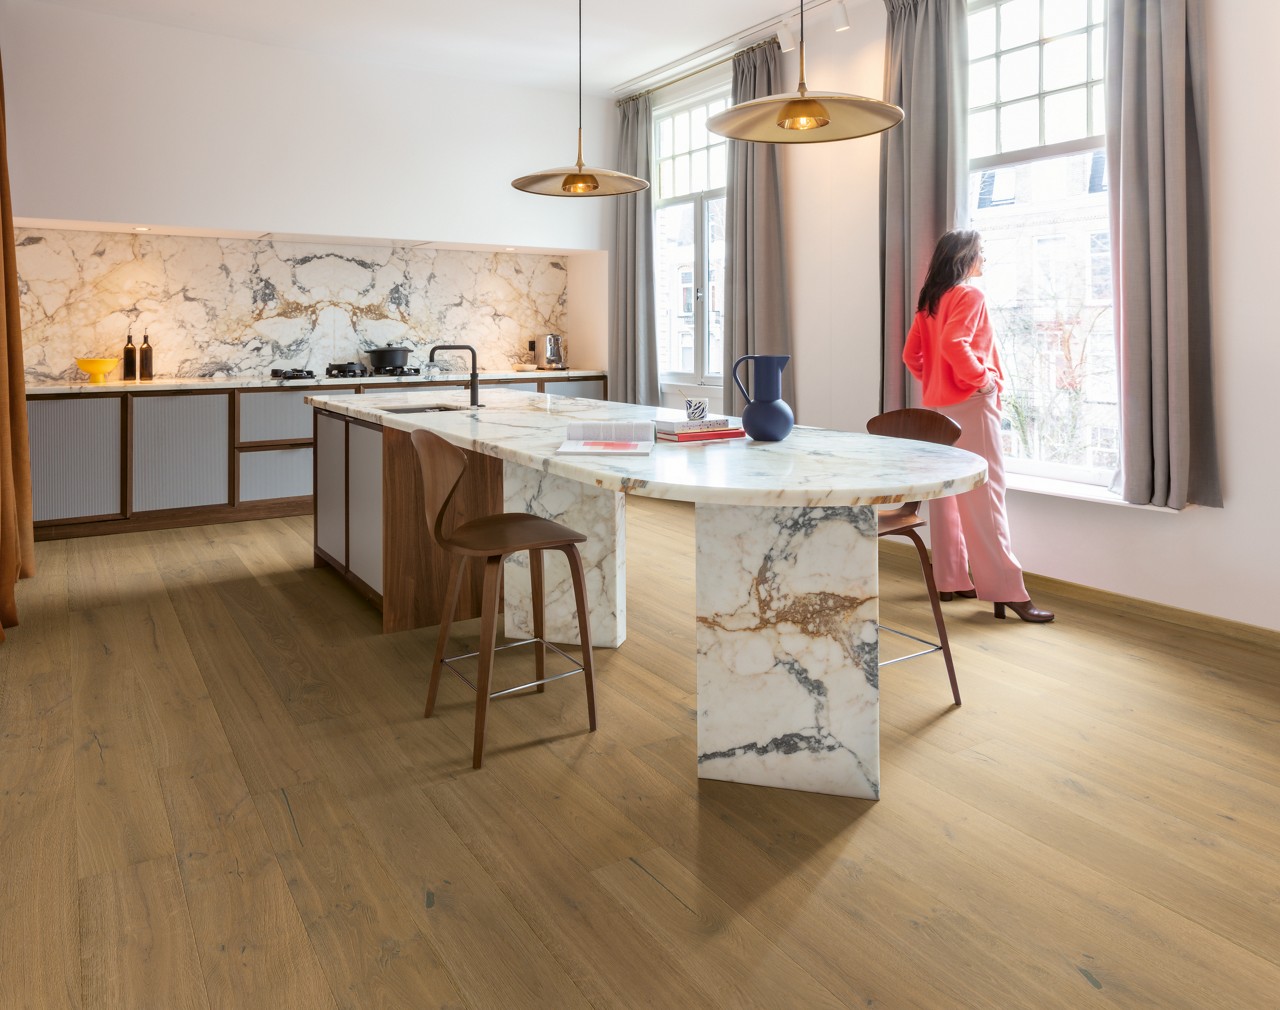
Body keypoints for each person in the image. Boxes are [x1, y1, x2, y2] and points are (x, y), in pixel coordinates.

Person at [903, 229, 1054, 623]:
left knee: (946, 495)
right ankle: (1007, 590)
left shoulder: (930, 300)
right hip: (971, 405)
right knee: (986, 498)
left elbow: (911, 356)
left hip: (939, 408)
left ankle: (950, 579)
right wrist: (982, 381)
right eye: (980, 252)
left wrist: (938, 382)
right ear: (964, 258)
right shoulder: (969, 295)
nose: (984, 259)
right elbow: (956, 343)